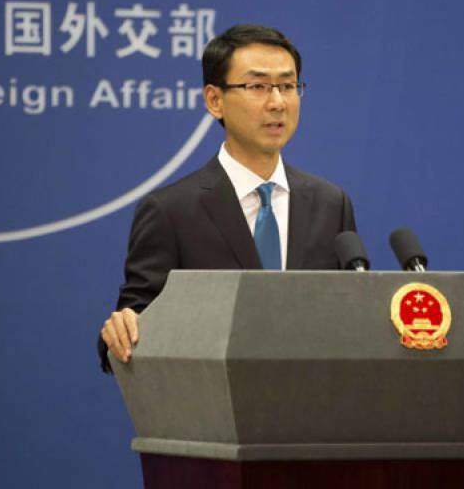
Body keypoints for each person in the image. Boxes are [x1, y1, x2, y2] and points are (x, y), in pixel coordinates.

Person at [98, 24, 357, 373]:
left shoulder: (330, 204)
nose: (277, 102)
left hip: (312, 401)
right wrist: (121, 331)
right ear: (214, 100)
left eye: (287, 86)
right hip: (212, 401)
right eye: (258, 86)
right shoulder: (171, 211)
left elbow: (350, 318)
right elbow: (134, 324)